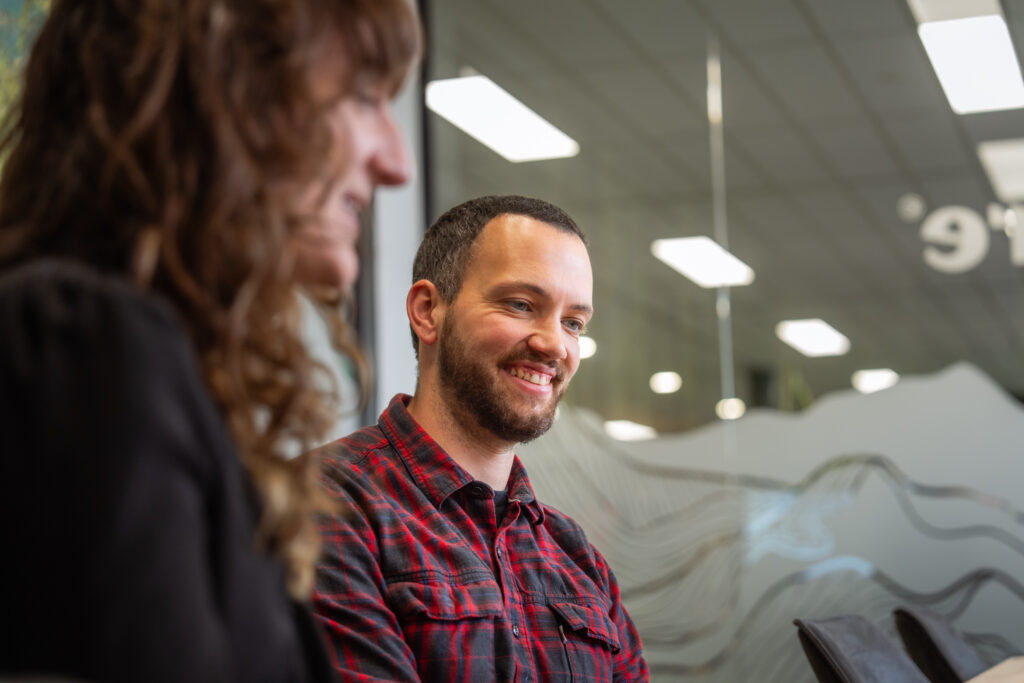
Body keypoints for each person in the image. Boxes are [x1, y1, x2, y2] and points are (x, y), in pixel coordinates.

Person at [0, 0, 419, 681]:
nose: (397, 161)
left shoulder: (136, 361)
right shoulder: (83, 342)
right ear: (229, 93)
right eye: (365, 97)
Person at [312, 195, 650, 682]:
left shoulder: (575, 556)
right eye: (520, 304)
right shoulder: (326, 502)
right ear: (428, 311)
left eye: (573, 323)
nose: (555, 344)